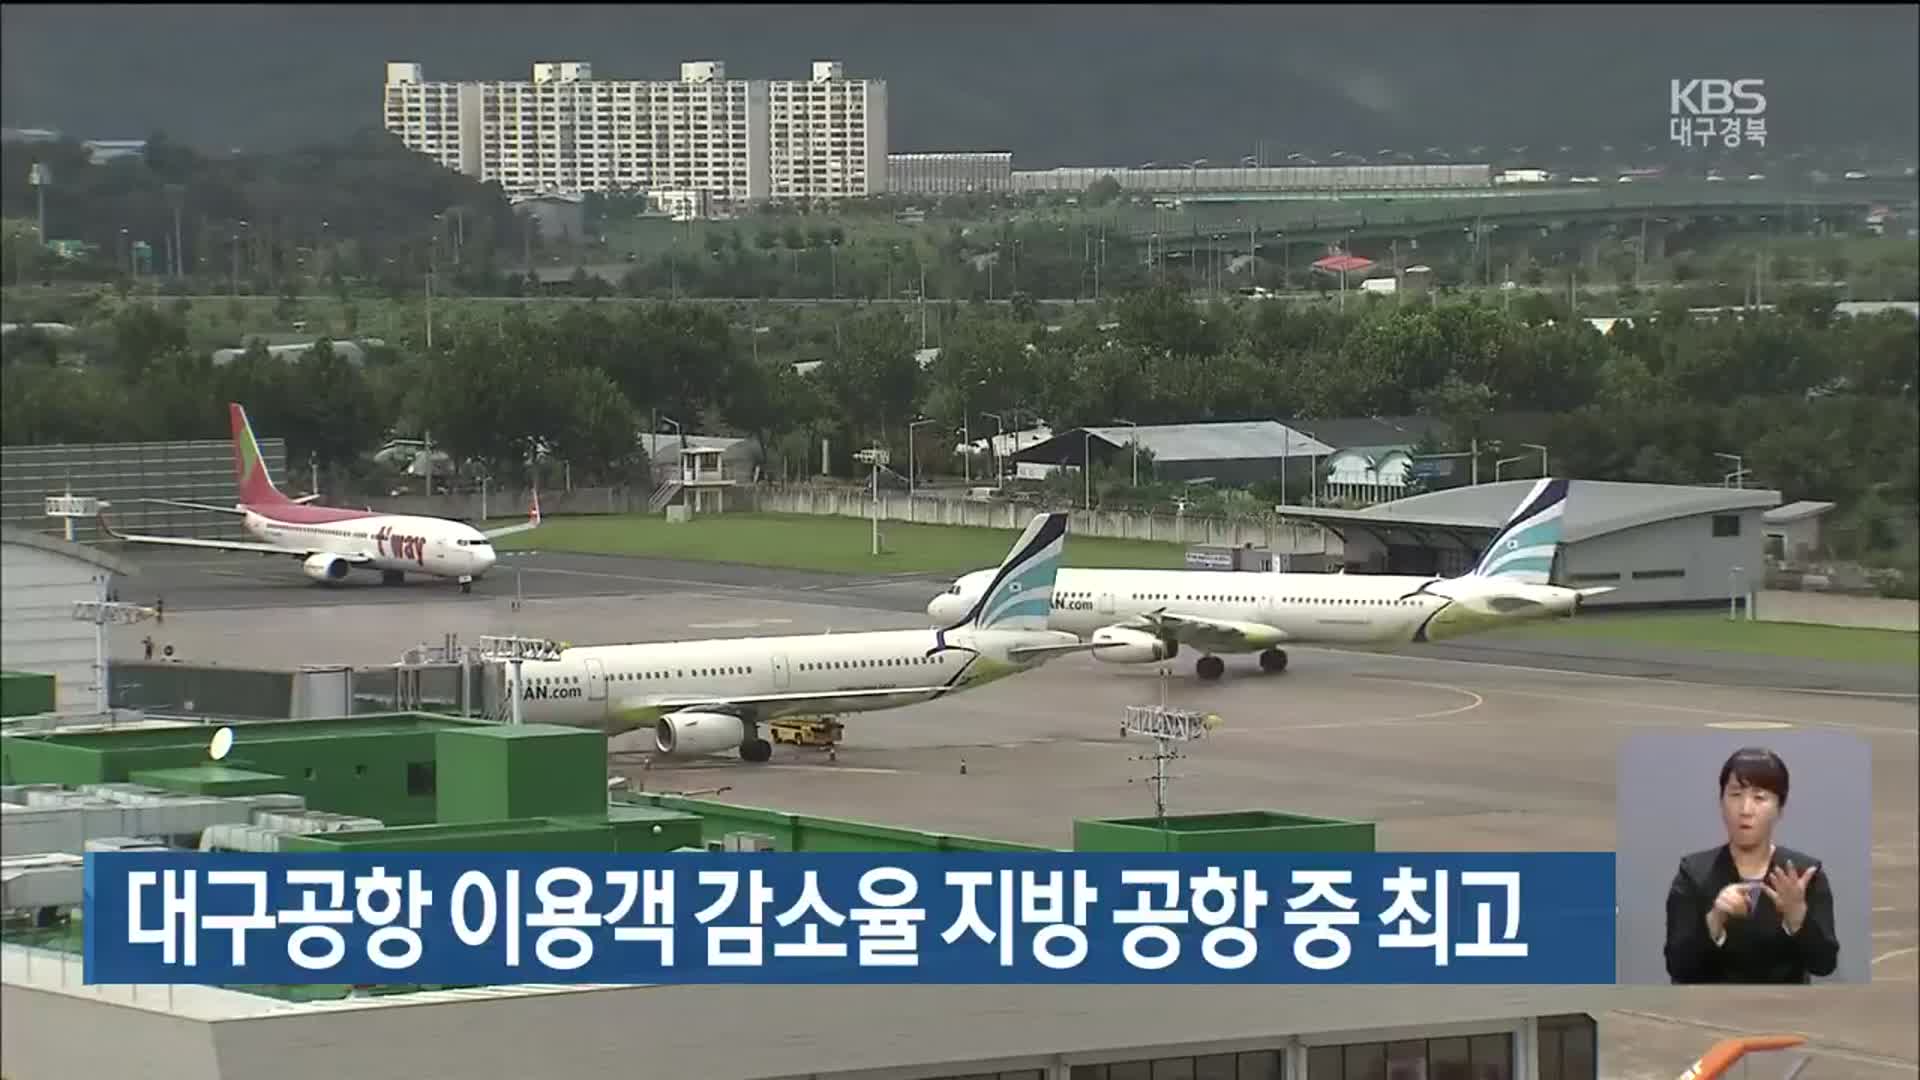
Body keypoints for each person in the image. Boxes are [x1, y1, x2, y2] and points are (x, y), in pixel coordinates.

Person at [1664, 746, 1839, 984]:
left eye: (1759, 797)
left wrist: (1797, 917)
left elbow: (1824, 963)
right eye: (1735, 795)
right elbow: (1678, 966)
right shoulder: (1694, 873)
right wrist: (1715, 919)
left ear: (1780, 808)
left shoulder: (1804, 875)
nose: (1745, 810)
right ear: (1721, 802)